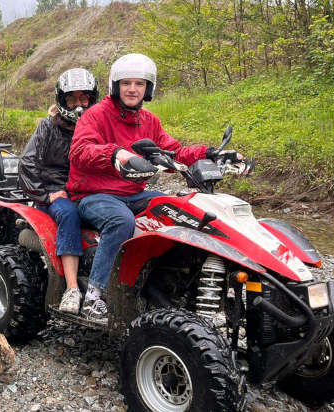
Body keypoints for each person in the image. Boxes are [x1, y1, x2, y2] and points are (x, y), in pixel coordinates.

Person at [67, 53, 246, 323]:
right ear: (116, 85)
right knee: (120, 220)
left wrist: (209, 153)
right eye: (126, 83)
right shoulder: (94, 116)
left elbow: (174, 152)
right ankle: (94, 297)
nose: (132, 89)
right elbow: (80, 151)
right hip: (93, 194)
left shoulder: (149, 121)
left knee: (179, 210)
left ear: (147, 89)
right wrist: (116, 155)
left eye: (139, 84)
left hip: (134, 193)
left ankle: (171, 287)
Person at [19, 68, 98, 315]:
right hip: (56, 191)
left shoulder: (99, 125)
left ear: (92, 98)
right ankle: (72, 289)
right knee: (69, 215)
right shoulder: (49, 127)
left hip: (88, 188)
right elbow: (27, 163)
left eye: (83, 98)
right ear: (62, 100)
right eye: (72, 99)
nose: (78, 104)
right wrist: (45, 195)